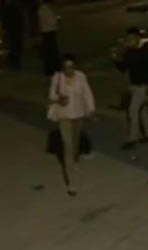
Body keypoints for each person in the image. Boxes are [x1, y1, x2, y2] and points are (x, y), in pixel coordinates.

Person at [47, 54, 96, 196]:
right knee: (67, 145)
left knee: (75, 143)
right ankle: (71, 182)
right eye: (66, 66)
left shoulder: (81, 76)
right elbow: (51, 95)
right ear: (62, 67)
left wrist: (91, 109)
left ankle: (75, 160)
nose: (69, 69)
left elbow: (87, 92)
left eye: (71, 66)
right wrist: (59, 99)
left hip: (78, 114)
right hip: (64, 116)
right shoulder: (57, 78)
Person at [114, 28, 148, 150]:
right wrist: (115, 59)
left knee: (132, 110)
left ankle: (132, 137)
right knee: (142, 109)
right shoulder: (130, 53)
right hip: (134, 86)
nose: (127, 42)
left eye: (129, 39)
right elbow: (124, 68)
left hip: (143, 86)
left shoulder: (145, 53)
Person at [38, 0, 61, 76]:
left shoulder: (41, 10)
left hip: (45, 32)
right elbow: (51, 22)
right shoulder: (47, 11)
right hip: (49, 32)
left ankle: (49, 69)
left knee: (48, 52)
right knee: (52, 51)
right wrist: (57, 19)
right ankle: (53, 68)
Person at [1, 0, 25, 69]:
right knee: (15, 46)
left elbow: (5, 20)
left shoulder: (9, 8)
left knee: (14, 46)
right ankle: (14, 63)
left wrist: (5, 28)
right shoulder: (15, 8)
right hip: (15, 30)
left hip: (13, 30)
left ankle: (13, 63)